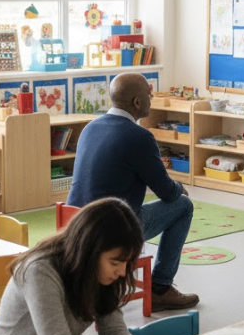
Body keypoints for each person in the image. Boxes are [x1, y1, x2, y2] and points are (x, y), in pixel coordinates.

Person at [0, 197, 169, 335]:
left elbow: (112, 333)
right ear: (89, 252)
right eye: (115, 263)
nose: (122, 272)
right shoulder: (40, 271)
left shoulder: (99, 272)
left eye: (127, 263)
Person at [66, 73, 198, 310]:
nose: (151, 100)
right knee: (183, 206)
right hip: (110, 230)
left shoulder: (90, 128)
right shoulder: (139, 137)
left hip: (74, 223)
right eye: (149, 95)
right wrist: (181, 188)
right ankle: (160, 287)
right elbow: (167, 192)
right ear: (138, 102)